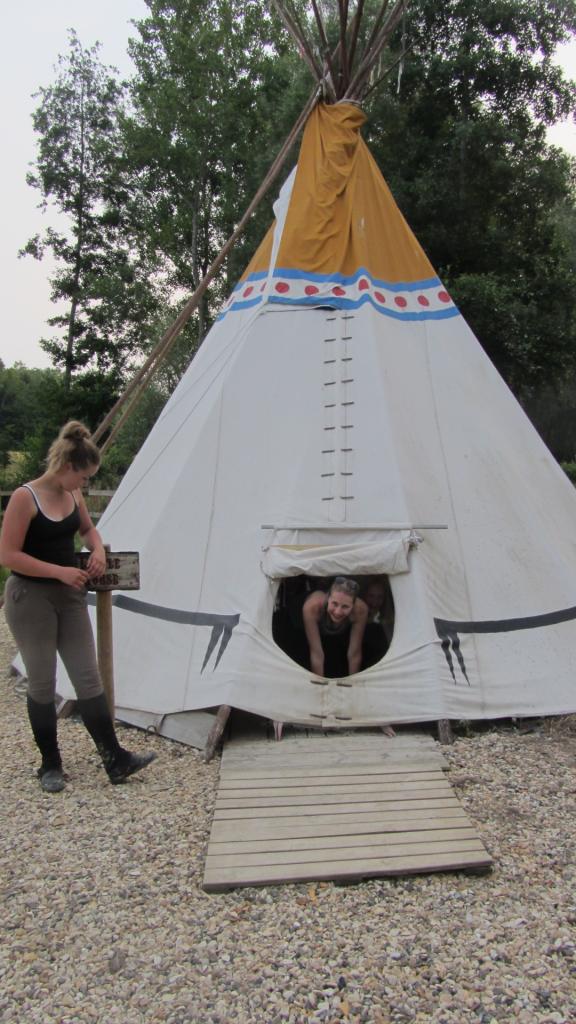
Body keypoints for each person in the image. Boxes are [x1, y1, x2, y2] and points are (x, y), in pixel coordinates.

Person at [0, 420, 156, 793]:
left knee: (88, 676)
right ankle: (50, 765)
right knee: (42, 681)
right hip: (30, 598)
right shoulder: (26, 497)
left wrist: (97, 549)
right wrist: (59, 571)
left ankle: (114, 758)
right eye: (83, 477)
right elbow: (8, 555)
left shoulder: (73, 496)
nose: (84, 484)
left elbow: (87, 530)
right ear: (68, 467)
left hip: (68, 596)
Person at [302, 576, 368, 678]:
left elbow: (354, 653)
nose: (338, 612)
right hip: (315, 630)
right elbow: (316, 653)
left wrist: (353, 685)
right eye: (334, 604)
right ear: (328, 599)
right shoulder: (312, 608)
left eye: (345, 606)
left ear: (353, 605)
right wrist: (320, 687)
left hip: (341, 634)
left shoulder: (360, 610)